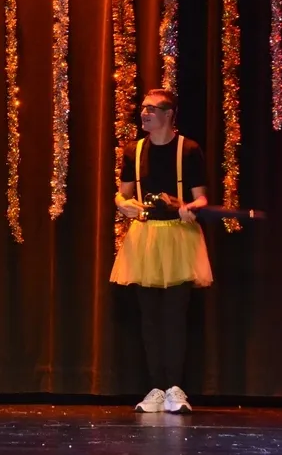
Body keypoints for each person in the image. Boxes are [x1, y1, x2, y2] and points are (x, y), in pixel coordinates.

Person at [111, 88, 213, 414]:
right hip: (146, 237)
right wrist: (123, 204)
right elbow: (122, 194)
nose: (144, 113)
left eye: (152, 109)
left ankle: (175, 389)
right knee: (150, 317)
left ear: (169, 114)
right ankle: (156, 387)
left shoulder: (188, 149)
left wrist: (189, 207)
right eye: (143, 108)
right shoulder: (134, 150)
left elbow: (201, 198)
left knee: (174, 316)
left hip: (178, 238)